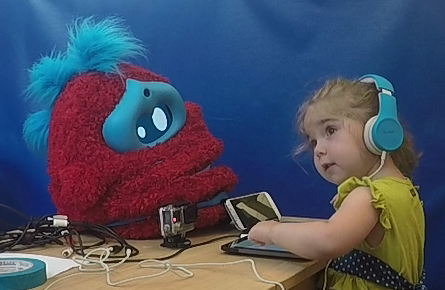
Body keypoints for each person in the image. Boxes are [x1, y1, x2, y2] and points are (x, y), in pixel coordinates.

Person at [247, 75, 426, 289]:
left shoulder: (369, 196)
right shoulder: (403, 189)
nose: (319, 149)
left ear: (377, 132)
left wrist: (272, 231)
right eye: (313, 142)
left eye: (330, 131)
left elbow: (328, 240)